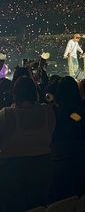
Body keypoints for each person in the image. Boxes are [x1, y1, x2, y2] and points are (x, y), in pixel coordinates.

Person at [0, 76, 55, 212]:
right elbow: (51, 133)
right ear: (35, 93)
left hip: (12, 171)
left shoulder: (6, 114)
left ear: (14, 94)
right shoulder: (48, 111)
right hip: (43, 168)